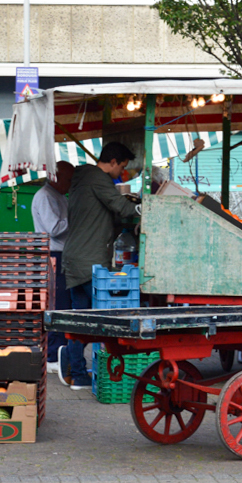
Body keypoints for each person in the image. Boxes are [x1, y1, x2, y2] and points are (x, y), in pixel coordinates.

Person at [61, 142, 139, 389]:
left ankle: (77, 375)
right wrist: (146, 206)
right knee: (99, 321)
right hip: (88, 262)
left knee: (80, 321)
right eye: (122, 168)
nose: (122, 174)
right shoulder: (98, 179)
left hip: (75, 258)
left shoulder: (83, 178)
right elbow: (122, 208)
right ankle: (97, 373)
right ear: (113, 162)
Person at [31, 160, 74, 375]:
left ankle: (56, 352)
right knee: (57, 303)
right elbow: (54, 228)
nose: (70, 184)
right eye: (68, 179)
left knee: (62, 302)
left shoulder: (56, 195)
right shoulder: (46, 196)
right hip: (53, 254)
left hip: (60, 254)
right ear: (56, 177)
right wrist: (77, 217)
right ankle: (52, 354)